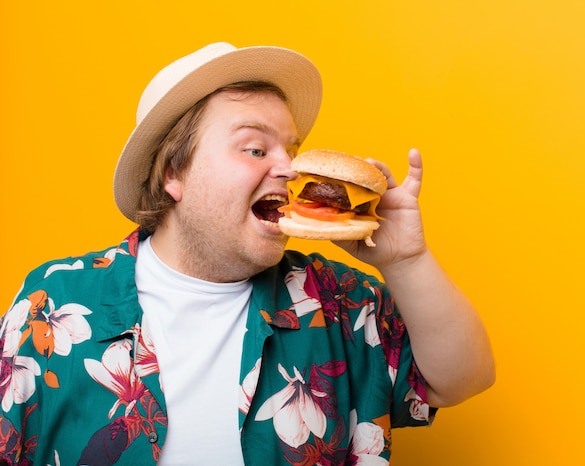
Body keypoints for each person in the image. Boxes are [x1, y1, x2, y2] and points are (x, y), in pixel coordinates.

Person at [0, 42, 494, 465]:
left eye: (291, 148)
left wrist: (406, 260)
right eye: (256, 150)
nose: (290, 167)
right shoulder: (55, 303)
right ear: (173, 173)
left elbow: (460, 381)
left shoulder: (340, 301)